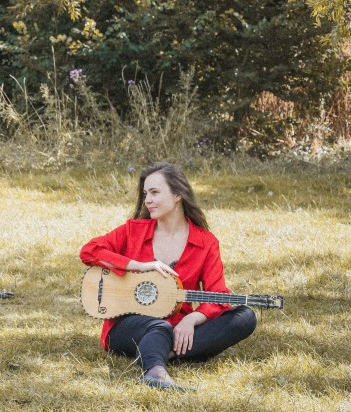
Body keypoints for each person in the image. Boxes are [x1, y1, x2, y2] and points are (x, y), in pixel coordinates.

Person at [79, 162, 257, 390]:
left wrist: (191, 319)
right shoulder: (133, 230)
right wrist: (139, 266)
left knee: (245, 316)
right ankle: (155, 372)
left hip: (178, 325)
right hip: (128, 325)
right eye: (145, 193)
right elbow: (89, 251)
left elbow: (218, 294)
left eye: (154, 192)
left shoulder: (205, 242)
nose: (147, 200)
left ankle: (159, 350)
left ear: (178, 195)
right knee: (160, 327)